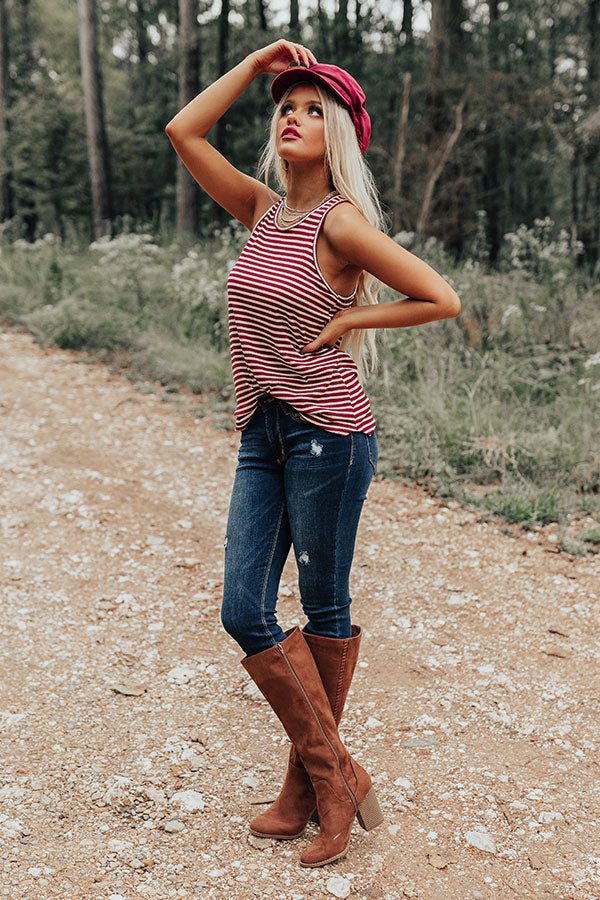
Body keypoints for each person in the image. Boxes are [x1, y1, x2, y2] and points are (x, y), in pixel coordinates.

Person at [165, 39, 461, 869]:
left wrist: (351, 318)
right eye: (285, 108)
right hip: (263, 431)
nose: (293, 118)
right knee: (244, 608)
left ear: (339, 137)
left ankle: (311, 791)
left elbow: (440, 296)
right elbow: (183, 132)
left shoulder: (341, 223)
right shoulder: (264, 211)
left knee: (325, 608)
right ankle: (338, 775)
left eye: (312, 110)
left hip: (331, 433)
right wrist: (258, 65)